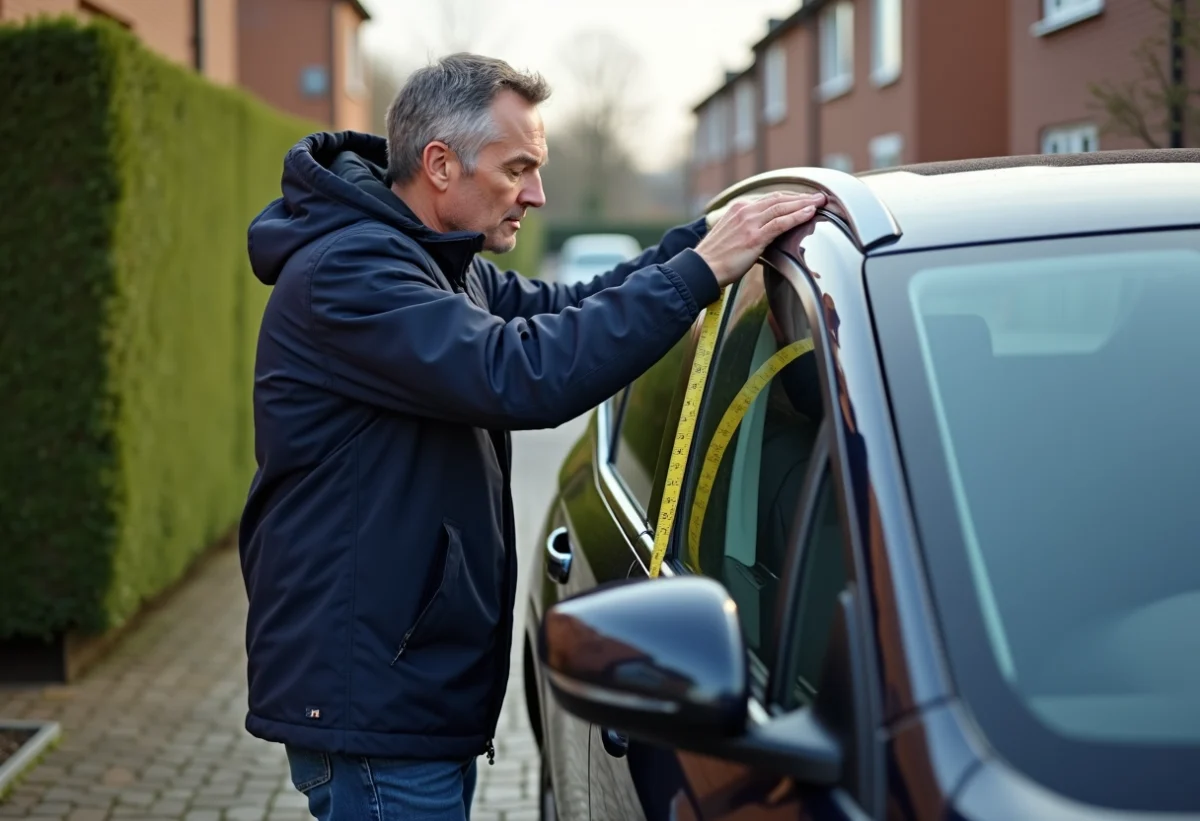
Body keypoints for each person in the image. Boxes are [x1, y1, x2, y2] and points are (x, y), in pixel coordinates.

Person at [238, 51, 825, 821]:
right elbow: (526, 371)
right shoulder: (353, 275)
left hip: (407, 692)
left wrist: (701, 242)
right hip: (375, 703)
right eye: (518, 168)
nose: (537, 194)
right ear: (442, 165)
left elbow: (566, 307)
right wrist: (699, 273)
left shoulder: (441, 263)